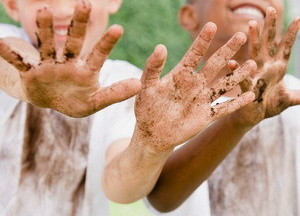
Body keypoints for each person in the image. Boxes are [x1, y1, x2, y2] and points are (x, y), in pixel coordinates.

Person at [0, 0, 255, 215]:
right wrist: (27, 83)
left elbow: (120, 190)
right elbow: (8, 60)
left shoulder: (122, 84)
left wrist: (151, 146)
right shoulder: (7, 45)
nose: (64, 11)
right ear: (12, 5)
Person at [146, 0, 300, 216]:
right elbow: (161, 198)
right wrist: (238, 121)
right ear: (189, 15)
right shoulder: (169, 105)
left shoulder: (294, 95)